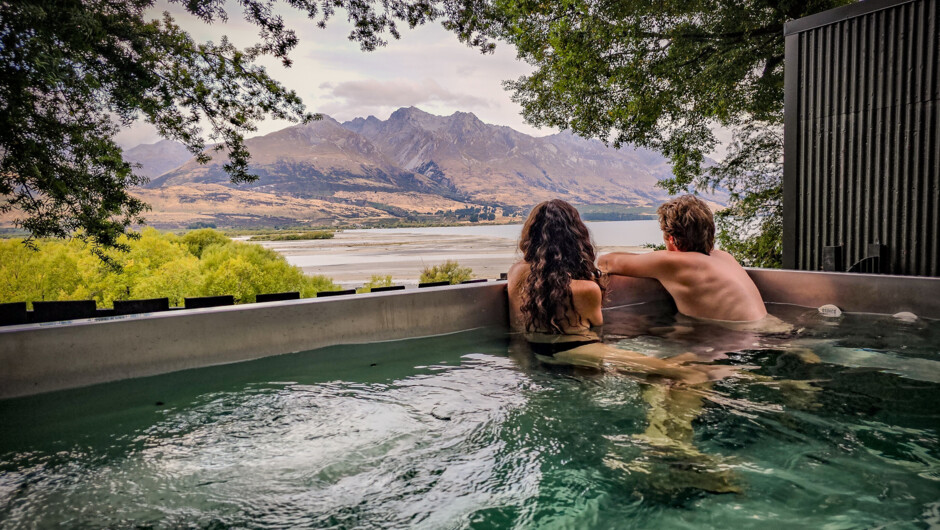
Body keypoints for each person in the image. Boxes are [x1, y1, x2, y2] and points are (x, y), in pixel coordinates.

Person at [506, 199, 713, 384]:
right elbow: (597, 332)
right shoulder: (586, 289)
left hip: (534, 354)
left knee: (681, 362)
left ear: (530, 236)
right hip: (579, 352)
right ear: (576, 238)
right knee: (681, 371)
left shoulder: (515, 274)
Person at [598, 194, 777, 328]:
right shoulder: (724, 256)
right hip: (773, 328)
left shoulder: (674, 263)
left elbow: (606, 261)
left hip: (737, 336)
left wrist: (653, 259)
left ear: (672, 239)